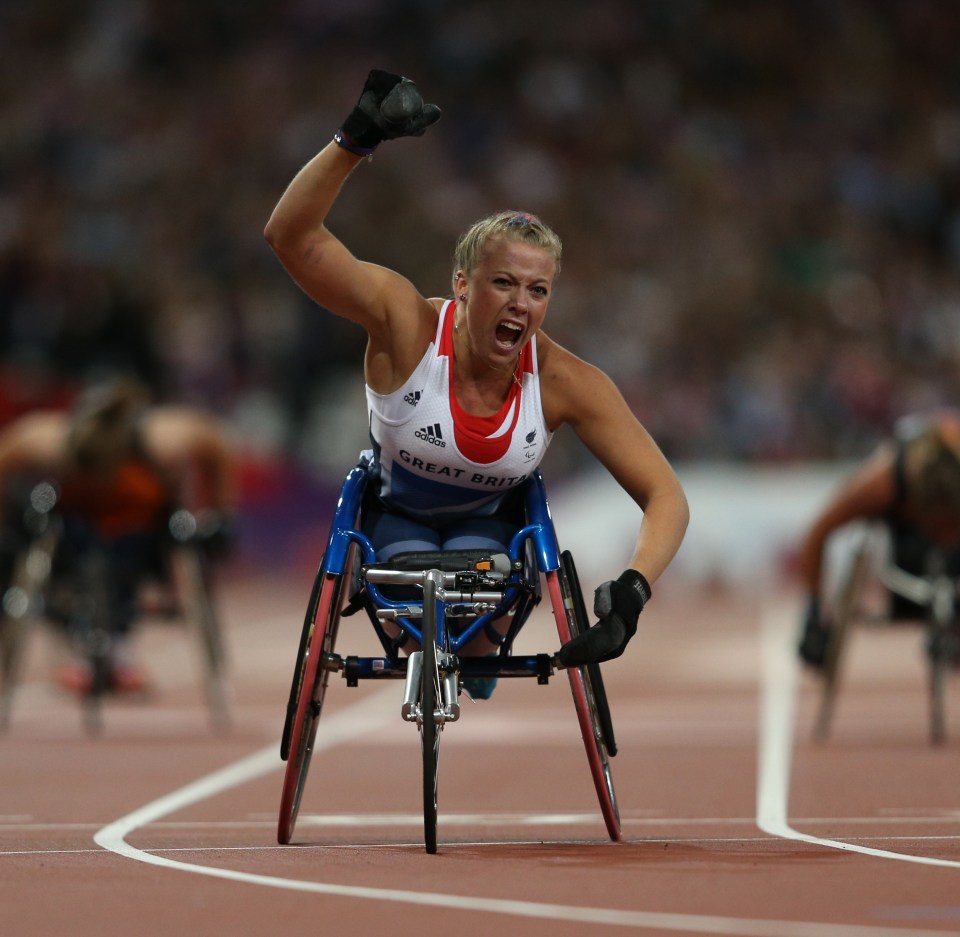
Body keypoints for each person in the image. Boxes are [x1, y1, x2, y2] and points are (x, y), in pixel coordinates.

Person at [264, 69, 689, 691]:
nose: (521, 304)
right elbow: (290, 237)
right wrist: (354, 141)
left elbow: (666, 496)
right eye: (504, 283)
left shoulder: (568, 381)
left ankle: (475, 648)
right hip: (394, 516)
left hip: (492, 529)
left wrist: (633, 590)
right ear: (462, 285)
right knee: (421, 612)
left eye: (538, 290)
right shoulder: (406, 322)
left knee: (474, 625)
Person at [0, 378, 237, 693]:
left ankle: (115, 644)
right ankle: (85, 635)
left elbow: (216, 445)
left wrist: (219, 515)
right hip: (74, 530)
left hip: (144, 536)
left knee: (143, 544)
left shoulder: (164, 438)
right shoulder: (44, 440)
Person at [797, 409, 960, 667]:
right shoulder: (884, 482)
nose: (943, 535)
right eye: (939, 526)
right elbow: (819, 531)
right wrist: (814, 612)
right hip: (907, 549)